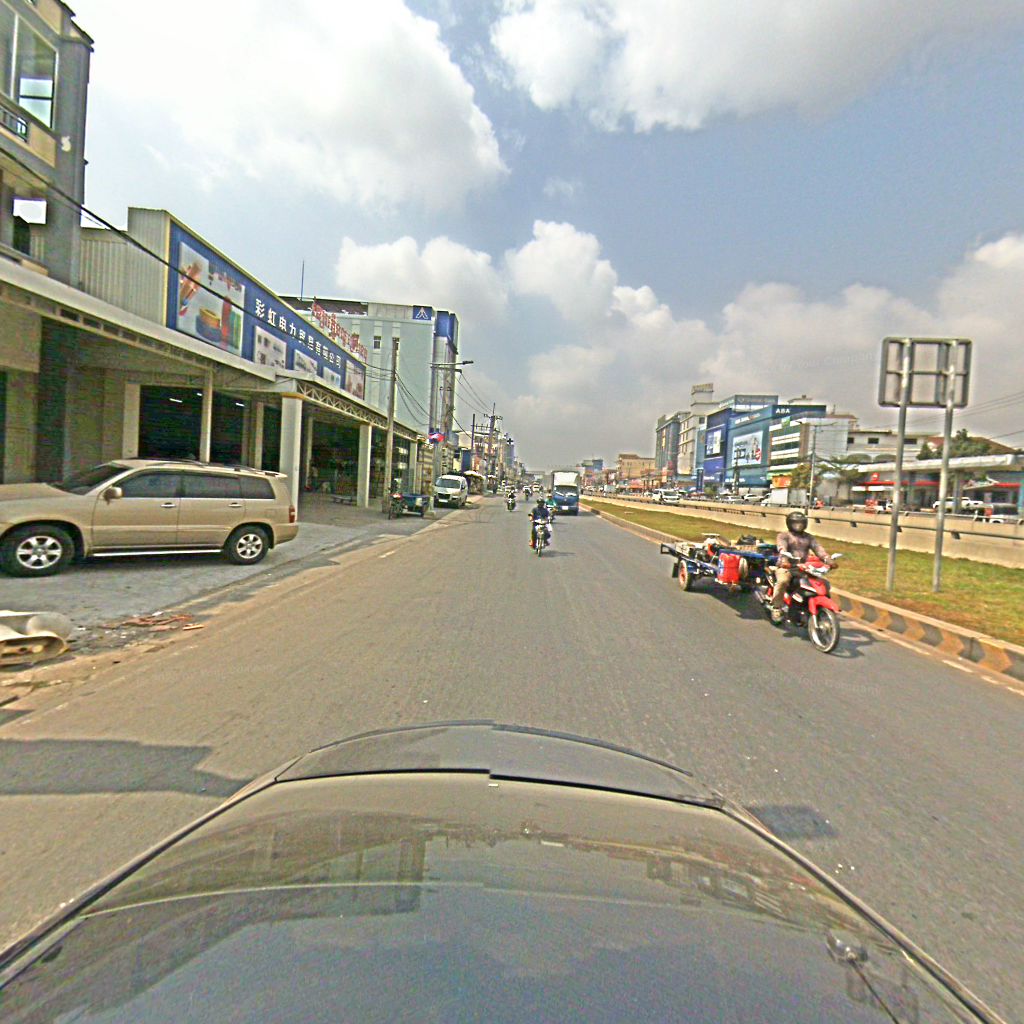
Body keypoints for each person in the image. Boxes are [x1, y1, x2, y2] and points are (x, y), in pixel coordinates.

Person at [770, 510, 830, 622]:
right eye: (796, 523)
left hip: (804, 567)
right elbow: (782, 548)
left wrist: (828, 559)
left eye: (801, 523)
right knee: (783, 581)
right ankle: (776, 607)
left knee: (824, 582)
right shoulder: (783, 536)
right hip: (786, 566)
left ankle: (818, 606)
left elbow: (818, 549)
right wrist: (785, 561)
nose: (799, 526)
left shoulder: (809, 537)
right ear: (789, 524)